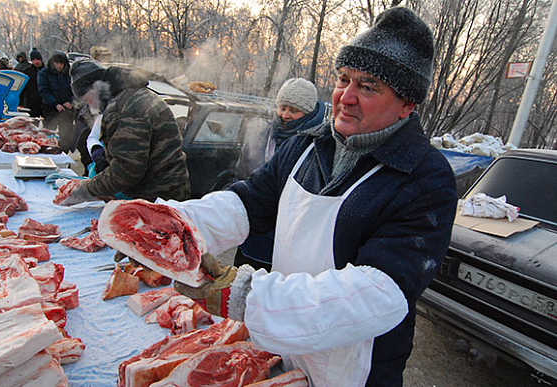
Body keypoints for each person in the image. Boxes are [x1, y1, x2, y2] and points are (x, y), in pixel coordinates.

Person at [154, 7, 458, 386]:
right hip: (280, 349)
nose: (345, 97)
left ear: (406, 105)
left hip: (352, 369)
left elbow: (378, 292)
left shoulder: (424, 179)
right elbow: (247, 203)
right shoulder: (306, 148)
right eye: (343, 79)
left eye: (367, 86)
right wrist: (173, 224)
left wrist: (248, 296)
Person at [57, 58, 191, 205]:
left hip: (160, 196)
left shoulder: (125, 108)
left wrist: (84, 191)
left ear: (96, 87)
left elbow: (127, 170)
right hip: (161, 189)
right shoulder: (130, 96)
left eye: (87, 97)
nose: (89, 104)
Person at [234, 77, 326, 270]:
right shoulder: (262, 135)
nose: (285, 115)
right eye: (282, 107)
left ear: (309, 112)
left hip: (286, 244)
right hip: (250, 237)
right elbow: (241, 172)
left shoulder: (318, 145)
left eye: (293, 110)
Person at [38, 52, 74, 152]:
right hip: (50, 109)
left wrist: (70, 102)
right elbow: (44, 91)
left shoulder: (70, 74)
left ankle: (64, 156)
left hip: (67, 111)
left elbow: (75, 91)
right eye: (56, 63)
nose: (59, 66)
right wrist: (55, 103)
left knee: (66, 136)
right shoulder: (44, 73)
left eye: (61, 64)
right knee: (48, 135)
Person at [18, 48, 44, 117]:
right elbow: (23, 88)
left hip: (45, 102)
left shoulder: (46, 71)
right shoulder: (27, 72)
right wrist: (21, 102)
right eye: (33, 60)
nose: (36, 61)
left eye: (37, 59)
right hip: (32, 102)